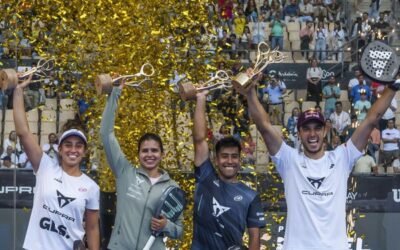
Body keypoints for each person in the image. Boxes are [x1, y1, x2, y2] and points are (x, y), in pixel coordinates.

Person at [242, 70, 398, 249]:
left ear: (325, 131)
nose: (312, 134)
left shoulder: (342, 157)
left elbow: (371, 120)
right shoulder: (289, 160)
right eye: (306, 129)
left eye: (317, 128)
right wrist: (251, 93)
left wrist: (393, 87)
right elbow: (264, 126)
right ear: (299, 133)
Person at [13, 76, 100, 249]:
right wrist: (18, 91)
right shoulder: (45, 167)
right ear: (59, 149)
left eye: (78, 146)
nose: (73, 150)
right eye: (68, 145)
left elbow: (92, 228)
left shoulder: (91, 187)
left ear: (84, 151)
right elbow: (23, 133)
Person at [100, 83, 183, 250]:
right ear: (138, 154)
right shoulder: (125, 172)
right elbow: (106, 134)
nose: (149, 154)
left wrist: (166, 225)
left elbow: (179, 230)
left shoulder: (172, 188)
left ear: (162, 154)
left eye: (154, 150)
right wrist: (115, 93)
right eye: (145, 151)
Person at [191, 89, 265, 249]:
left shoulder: (251, 195)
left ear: (240, 159)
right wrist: (201, 98)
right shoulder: (205, 177)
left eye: (234, 156)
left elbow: (254, 237)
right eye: (224, 156)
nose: (229, 161)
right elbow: (199, 140)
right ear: (216, 160)